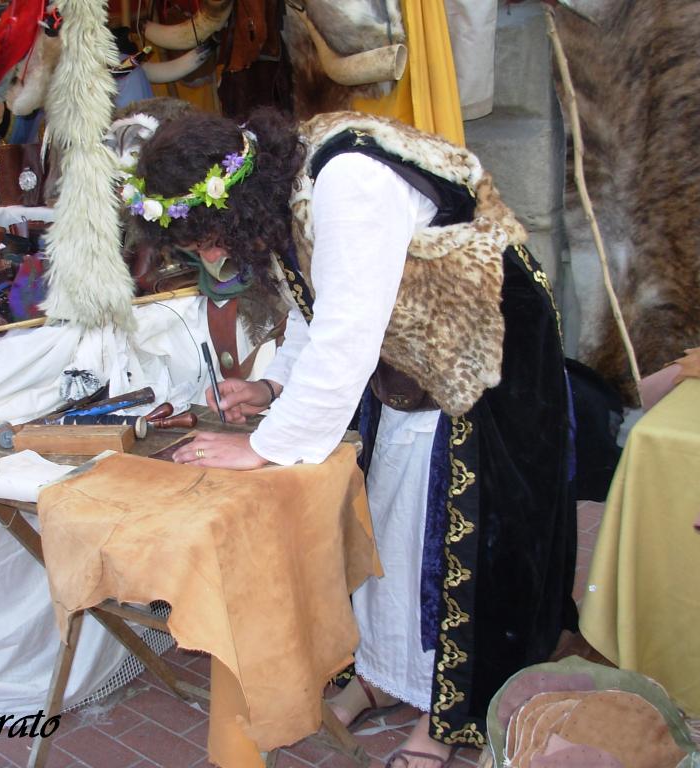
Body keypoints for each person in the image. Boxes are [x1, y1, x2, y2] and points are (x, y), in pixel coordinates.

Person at [127, 107, 578, 768]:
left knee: (452, 547)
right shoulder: (280, 183)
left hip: (485, 350)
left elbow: (345, 333)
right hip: (409, 356)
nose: (208, 257)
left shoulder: (349, 184)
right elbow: (314, 299)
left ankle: (446, 718)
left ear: (235, 201)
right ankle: (383, 675)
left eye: (205, 241)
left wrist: (263, 445)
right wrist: (276, 388)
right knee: (388, 525)